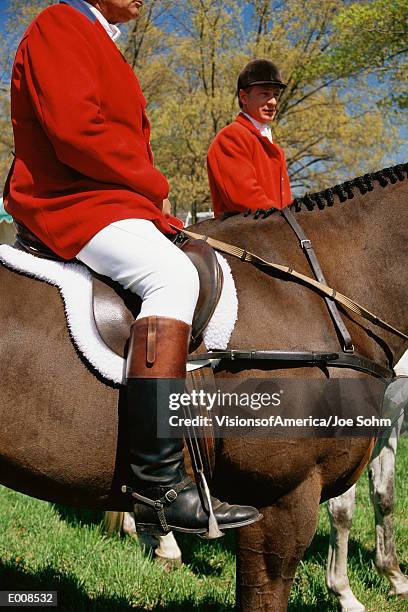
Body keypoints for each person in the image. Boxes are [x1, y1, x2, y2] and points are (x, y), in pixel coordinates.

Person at [3, 0, 260, 535]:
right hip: (68, 200)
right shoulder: (59, 24)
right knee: (173, 277)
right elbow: (75, 130)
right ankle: (159, 485)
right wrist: (153, 185)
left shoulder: (103, 40)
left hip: (110, 201)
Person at [207, 59, 292, 215]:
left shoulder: (272, 144)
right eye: (264, 94)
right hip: (242, 237)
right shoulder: (232, 136)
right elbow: (245, 199)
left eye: (276, 95)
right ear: (244, 97)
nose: (273, 101)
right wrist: (287, 224)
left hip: (274, 234)